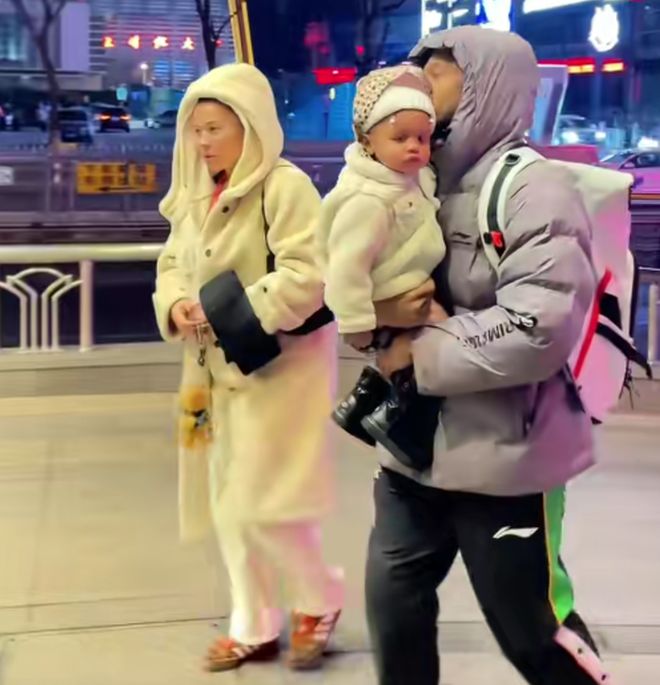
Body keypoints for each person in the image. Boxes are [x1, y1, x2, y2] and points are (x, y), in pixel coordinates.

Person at [365, 26, 614, 685]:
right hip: (413, 450)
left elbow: (539, 325)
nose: (418, 82)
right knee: (394, 612)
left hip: (507, 459)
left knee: (531, 628)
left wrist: (417, 352)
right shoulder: (408, 182)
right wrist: (371, 319)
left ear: (483, 86)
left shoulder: (533, 189)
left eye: (437, 71)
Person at [153, 63, 343, 673]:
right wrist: (176, 304)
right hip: (208, 378)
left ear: (250, 125)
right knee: (226, 504)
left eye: (214, 128)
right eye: (195, 130)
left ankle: (320, 597)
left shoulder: (285, 188)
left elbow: (309, 275)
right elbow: (171, 265)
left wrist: (229, 311)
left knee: (266, 503)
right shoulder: (196, 195)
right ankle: (253, 623)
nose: (202, 142)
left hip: (278, 374)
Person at [317, 64, 447, 471]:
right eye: (400, 137)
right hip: (389, 288)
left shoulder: (411, 178)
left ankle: (363, 405)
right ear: (368, 141)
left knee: (411, 350)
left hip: (405, 282)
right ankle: (397, 422)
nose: (414, 147)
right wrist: (356, 322)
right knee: (439, 345)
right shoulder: (368, 199)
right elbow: (346, 267)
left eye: (422, 138)